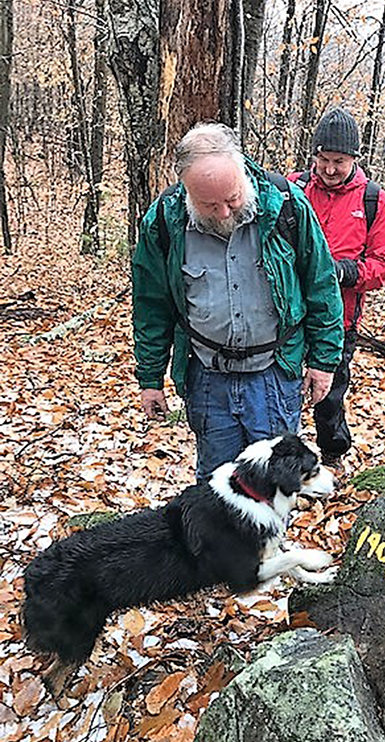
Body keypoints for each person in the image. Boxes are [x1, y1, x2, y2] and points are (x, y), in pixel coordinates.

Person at [132, 122, 344, 482]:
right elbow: (152, 306)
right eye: (209, 205)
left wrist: (324, 362)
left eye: (232, 198)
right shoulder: (165, 221)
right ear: (186, 191)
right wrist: (150, 378)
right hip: (207, 377)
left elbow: (321, 286)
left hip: (275, 373)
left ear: (243, 171)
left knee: (276, 484)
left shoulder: (286, 205)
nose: (225, 213)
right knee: (217, 485)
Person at [288, 108, 385, 468]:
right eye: (323, 160)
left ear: (354, 158)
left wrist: (342, 272)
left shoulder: (374, 201)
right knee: (279, 386)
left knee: (329, 392)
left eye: (338, 161)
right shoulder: (294, 188)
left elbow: (381, 268)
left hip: (340, 319)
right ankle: (278, 455)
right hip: (287, 313)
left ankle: (333, 453)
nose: (330, 169)